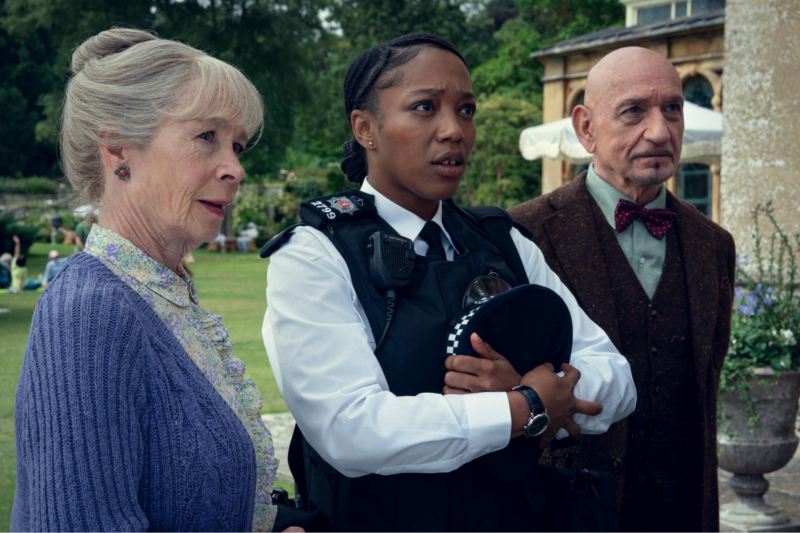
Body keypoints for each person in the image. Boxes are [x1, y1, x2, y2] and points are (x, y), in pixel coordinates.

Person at [262, 33, 636, 532]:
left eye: (466, 109)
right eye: (424, 107)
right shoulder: (315, 253)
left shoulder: (504, 244)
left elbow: (617, 377)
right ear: (366, 128)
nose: (453, 130)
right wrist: (519, 408)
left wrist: (537, 391)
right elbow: (349, 429)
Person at [12, 28, 302, 533]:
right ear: (118, 148)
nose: (234, 167)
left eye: (237, 145)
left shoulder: (158, 294)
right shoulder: (89, 312)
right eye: (206, 137)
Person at [509, 47, 735, 533]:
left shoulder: (714, 245)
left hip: (682, 511)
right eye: (634, 111)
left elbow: (704, 384)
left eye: (672, 108)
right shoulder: (522, 234)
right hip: (563, 510)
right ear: (586, 128)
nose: (659, 130)